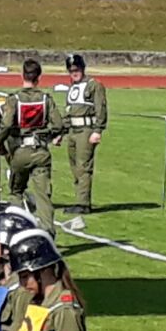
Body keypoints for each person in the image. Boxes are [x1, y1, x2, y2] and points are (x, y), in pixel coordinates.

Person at [7, 59, 64, 225]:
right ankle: (48, 231)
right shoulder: (46, 99)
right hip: (40, 151)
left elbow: (6, 124)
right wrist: (49, 135)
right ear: (39, 77)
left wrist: (0, 141)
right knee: (43, 196)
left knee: (16, 192)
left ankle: (17, 226)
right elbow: (58, 124)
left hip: (20, 150)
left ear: (22, 75)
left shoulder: (14, 99)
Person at [62, 53, 108, 228]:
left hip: (86, 130)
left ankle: (83, 203)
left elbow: (101, 108)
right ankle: (79, 199)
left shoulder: (94, 85)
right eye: (71, 70)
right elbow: (69, 111)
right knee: (75, 167)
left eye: (76, 69)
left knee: (83, 167)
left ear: (82, 69)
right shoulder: (72, 87)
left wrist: (98, 130)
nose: (74, 73)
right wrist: (62, 132)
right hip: (73, 131)